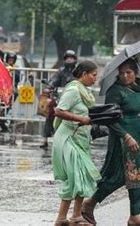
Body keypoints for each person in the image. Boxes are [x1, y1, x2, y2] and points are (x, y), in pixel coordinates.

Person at [81, 59, 140, 226]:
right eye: (122, 73)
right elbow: (111, 118)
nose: (125, 76)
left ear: (136, 73)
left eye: (128, 72)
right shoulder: (115, 91)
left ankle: (135, 216)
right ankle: (90, 202)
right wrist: (126, 136)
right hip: (124, 140)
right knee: (119, 177)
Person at [52, 61, 101, 226]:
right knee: (74, 178)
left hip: (80, 140)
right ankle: (62, 218)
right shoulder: (73, 90)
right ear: (84, 74)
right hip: (68, 139)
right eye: (94, 75)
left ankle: (75, 216)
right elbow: (59, 111)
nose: (96, 78)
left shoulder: (85, 92)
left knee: (83, 176)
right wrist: (80, 118)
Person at [41, 50, 78, 148]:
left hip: (74, 98)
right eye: (68, 58)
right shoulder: (61, 71)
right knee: (50, 115)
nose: (69, 60)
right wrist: (49, 86)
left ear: (75, 59)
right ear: (64, 59)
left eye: (72, 58)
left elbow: (82, 82)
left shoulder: (78, 72)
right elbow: (54, 80)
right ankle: (45, 139)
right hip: (60, 98)